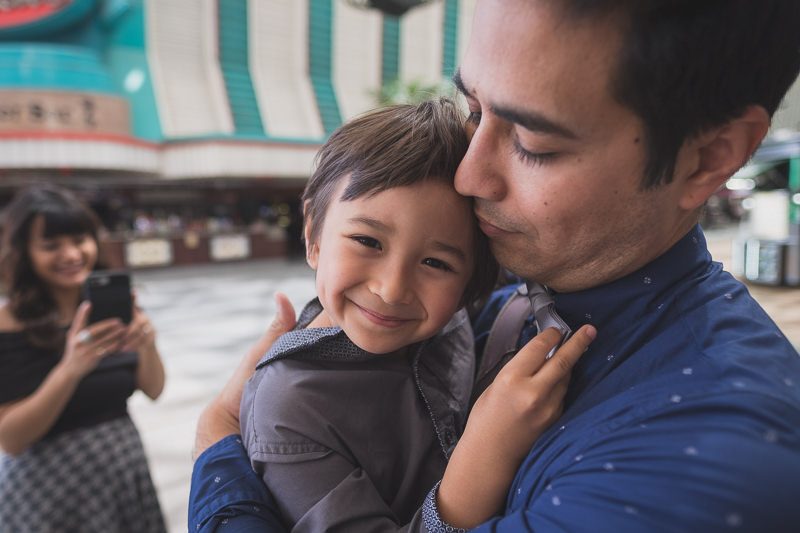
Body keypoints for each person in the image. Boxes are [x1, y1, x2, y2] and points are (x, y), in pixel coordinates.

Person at [190, 0, 800, 531]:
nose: (468, 175)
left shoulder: (697, 471)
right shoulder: (510, 288)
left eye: (534, 144)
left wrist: (218, 453)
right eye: (474, 111)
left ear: (708, 158)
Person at [237, 99, 597, 531]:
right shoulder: (288, 411)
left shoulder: (451, 313)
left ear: (470, 285)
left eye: (435, 264)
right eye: (368, 242)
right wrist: (486, 456)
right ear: (314, 235)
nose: (392, 289)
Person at [0, 185, 167, 532]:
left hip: (123, 474)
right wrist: (70, 369)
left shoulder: (110, 307)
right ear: (24, 252)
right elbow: (11, 439)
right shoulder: (9, 323)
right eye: (51, 245)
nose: (72, 254)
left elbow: (153, 389)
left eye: (80, 240)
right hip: (47, 491)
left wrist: (147, 345)